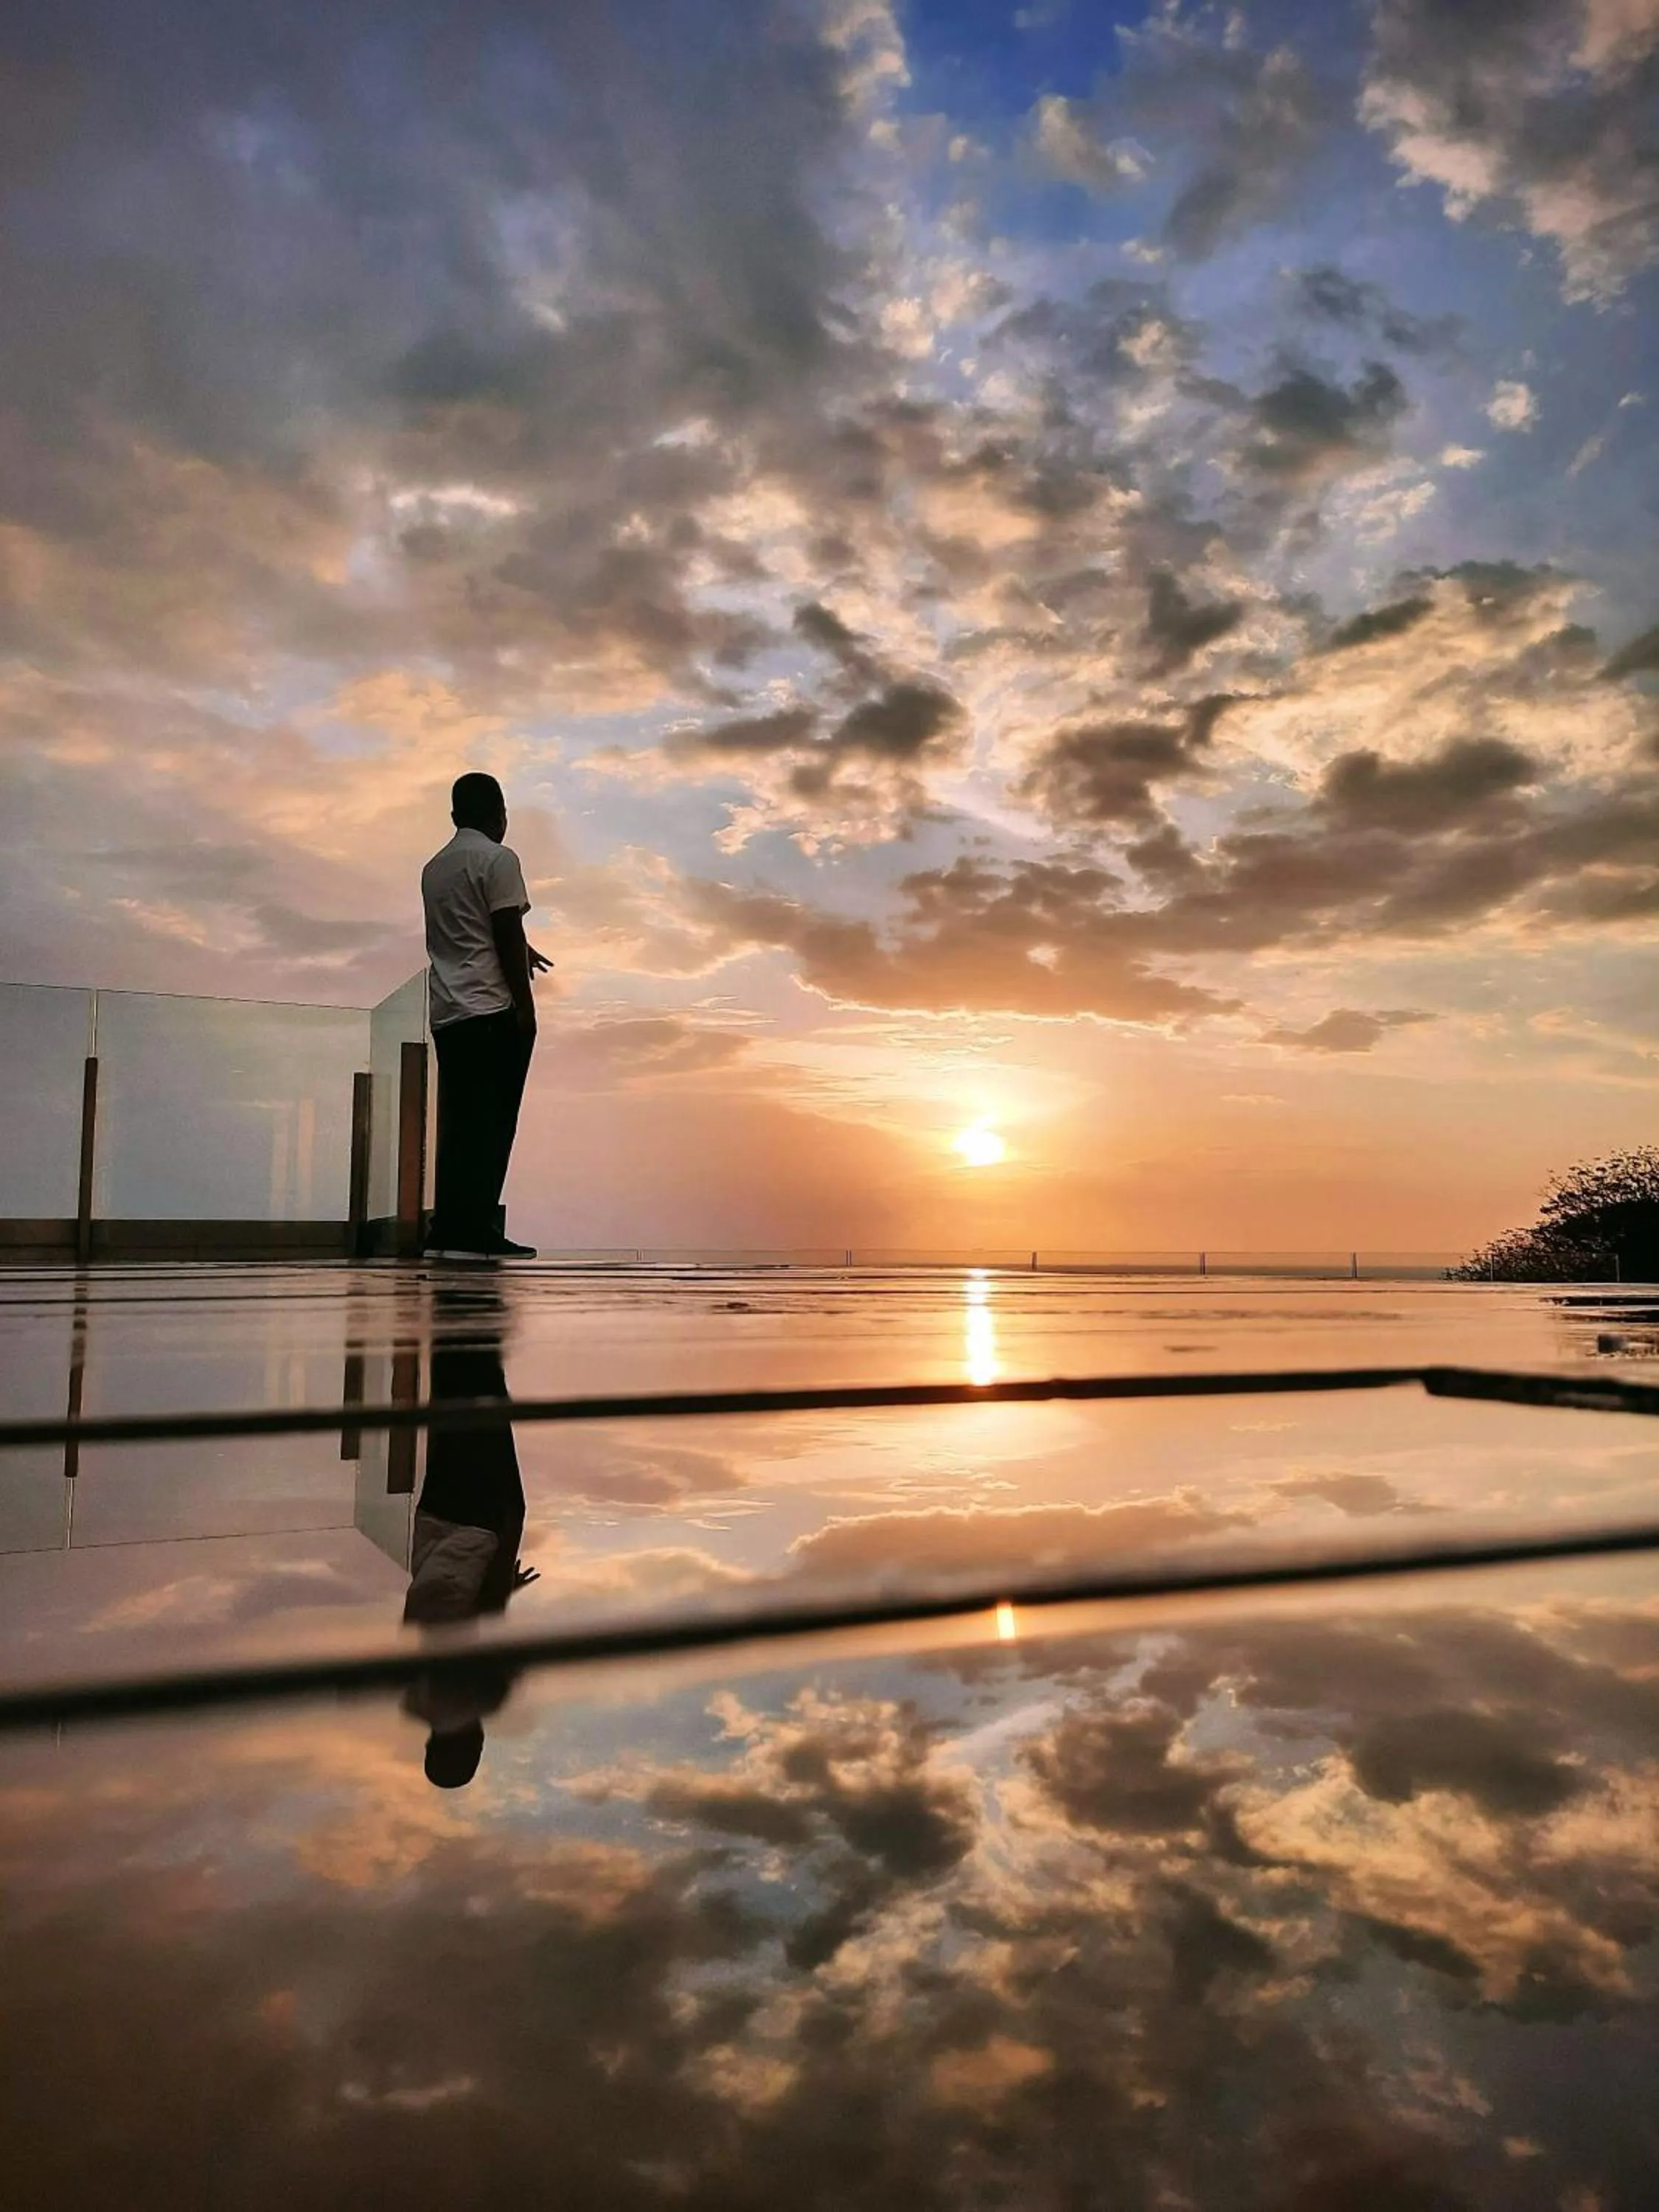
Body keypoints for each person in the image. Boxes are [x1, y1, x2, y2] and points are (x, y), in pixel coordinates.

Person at [402, 1281, 537, 1788]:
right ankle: (455, 1315)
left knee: (487, 1417)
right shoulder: (417, 1695)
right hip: (436, 1532)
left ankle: (473, 1315)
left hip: (475, 1534)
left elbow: (481, 1620)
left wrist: (503, 1554)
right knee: (456, 1421)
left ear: (470, 1747)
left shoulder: (474, 1698)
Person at [420, 771, 552, 1262]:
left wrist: (523, 947)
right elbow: (503, 926)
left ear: (455, 815)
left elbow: (470, 926)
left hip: (448, 1009)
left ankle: (450, 1227)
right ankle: (475, 1227)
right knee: (494, 1123)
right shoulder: (499, 860)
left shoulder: (435, 868)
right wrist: (526, 1009)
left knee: (459, 1123)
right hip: (492, 1008)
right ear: (499, 813)